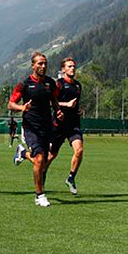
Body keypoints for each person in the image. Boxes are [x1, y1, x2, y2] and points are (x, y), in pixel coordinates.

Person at [9, 52, 61, 207]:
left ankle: (22, 153)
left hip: (47, 126)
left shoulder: (50, 83)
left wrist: (58, 111)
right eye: (39, 63)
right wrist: (22, 107)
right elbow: (10, 104)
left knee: (43, 162)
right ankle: (40, 195)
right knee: (38, 159)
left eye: (45, 63)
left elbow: (54, 100)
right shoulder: (24, 85)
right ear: (33, 65)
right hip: (30, 127)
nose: (43, 66)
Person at [48, 57, 84, 195]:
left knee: (79, 150)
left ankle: (71, 178)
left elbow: (75, 104)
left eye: (74, 66)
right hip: (58, 124)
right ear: (63, 69)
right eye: (69, 66)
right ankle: (42, 175)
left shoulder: (78, 86)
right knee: (51, 155)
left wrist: (77, 110)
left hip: (73, 124)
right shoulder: (58, 85)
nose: (72, 68)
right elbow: (51, 102)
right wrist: (66, 105)